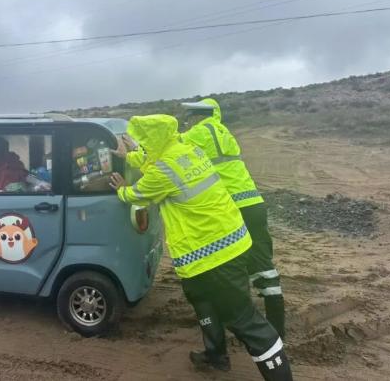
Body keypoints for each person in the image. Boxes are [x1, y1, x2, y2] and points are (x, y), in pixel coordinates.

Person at [110, 114, 292, 381]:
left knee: (243, 320)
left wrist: (121, 189)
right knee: (200, 297)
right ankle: (216, 355)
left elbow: (138, 193)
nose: (142, 146)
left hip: (214, 253)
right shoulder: (187, 149)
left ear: (154, 140)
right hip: (224, 244)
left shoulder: (163, 171)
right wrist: (131, 155)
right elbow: (154, 162)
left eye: (143, 141)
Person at [180, 98, 285, 338]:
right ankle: (278, 329)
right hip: (253, 204)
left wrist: (132, 149)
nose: (187, 123)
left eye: (189, 118)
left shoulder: (199, 132)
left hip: (233, 209)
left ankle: (242, 325)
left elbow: (168, 147)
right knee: (263, 265)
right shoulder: (224, 132)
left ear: (198, 116)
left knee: (228, 265)